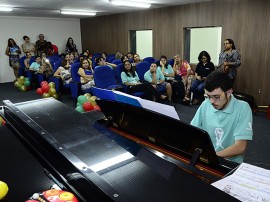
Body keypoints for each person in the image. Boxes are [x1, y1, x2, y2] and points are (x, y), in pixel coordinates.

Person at [190, 71, 253, 163]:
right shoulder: (205, 104)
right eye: (208, 96)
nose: (211, 101)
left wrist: (211, 157)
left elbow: (240, 147)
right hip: (205, 159)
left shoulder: (243, 108)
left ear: (229, 92)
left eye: (216, 96)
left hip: (227, 163)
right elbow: (193, 132)